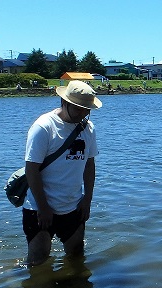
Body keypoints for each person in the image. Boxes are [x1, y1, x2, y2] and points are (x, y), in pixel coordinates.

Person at [23, 80, 102, 266]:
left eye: (87, 109)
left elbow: (89, 166)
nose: (83, 114)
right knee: (38, 260)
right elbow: (31, 169)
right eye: (79, 109)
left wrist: (87, 200)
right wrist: (43, 207)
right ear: (65, 103)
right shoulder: (44, 127)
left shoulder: (88, 129)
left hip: (73, 206)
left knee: (76, 257)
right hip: (39, 207)